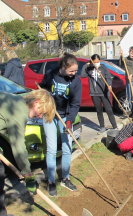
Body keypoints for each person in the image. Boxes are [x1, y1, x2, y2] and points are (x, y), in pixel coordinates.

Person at [39, 53, 82, 197]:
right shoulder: (51, 74)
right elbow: (42, 89)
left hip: (65, 117)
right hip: (50, 115)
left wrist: (69, 121)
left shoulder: (76, 81)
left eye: (76, 70)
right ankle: (51, 181)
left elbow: (75, 104)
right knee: (51, 148)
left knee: (67, 147)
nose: (74, 73)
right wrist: (44, 99)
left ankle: (65, 178)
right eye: (71, 71)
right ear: (63, 67)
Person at [81, 54, 118, 134]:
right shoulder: (89, 68)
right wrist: (85, 66)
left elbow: (108, 77)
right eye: (95, 62)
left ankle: (115, 126)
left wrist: (109, 85)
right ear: (91, 62)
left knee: (109, 110)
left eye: (98, 61)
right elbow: (82, 75)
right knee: (99, 110)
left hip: (104, 92)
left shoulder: (103, 68)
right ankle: (102, 127)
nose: (96, 63)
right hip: (94, 93)